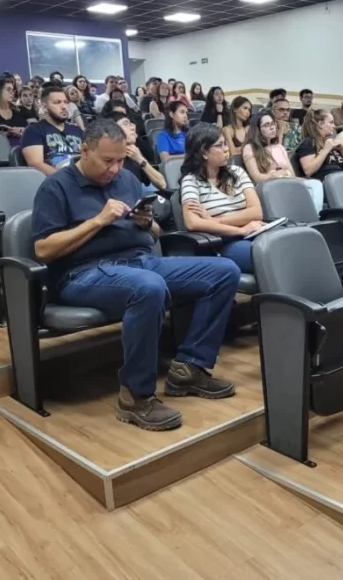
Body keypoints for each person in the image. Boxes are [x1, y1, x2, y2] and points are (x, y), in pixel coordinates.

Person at [31, 118, 239, 430]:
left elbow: (155, 233)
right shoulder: (56, 186)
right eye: (107, 161)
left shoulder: (127, 179)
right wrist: (97, 221)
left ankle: (190, 368)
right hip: (82, 273)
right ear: (84, 151)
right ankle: (135, 395)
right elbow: (43, 250)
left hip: (140, 262)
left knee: (224, 272)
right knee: (148, 287)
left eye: (120, 160)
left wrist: (147, 223)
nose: (115, 169)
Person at [179, 123, 264, 273]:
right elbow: (192, 223)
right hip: (225, 242)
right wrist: (241, 230)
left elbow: (256, 212)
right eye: (219, 145)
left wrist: (212, 220)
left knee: (289, 243)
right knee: (269, 254)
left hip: (254, 231)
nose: (226, 149)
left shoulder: (237, 172)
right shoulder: (191, 181)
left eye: (225, 143)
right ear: (204, 153)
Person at [242, 110, 324, 211]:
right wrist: (274, 175)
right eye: (266, 125)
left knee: (316, 184)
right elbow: (256, 178)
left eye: (273, 124)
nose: (272, 127)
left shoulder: (279, 147)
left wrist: (284, 175)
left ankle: (314, 215)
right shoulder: (249, 148)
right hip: (268, 186)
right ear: (257, 129)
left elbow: (292, 174)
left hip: (286, 180)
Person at [21, 83, 84, 175]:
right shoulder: (34, 130)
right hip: (57, 180)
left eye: (66, 102)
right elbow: (36, 165)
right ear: (44, 107)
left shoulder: (77, 130)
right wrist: (67, 179)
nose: (64, 107)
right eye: (57, 102)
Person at [296, 108, 343, 184]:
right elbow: (308, 171)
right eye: (331, 122)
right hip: (327, 183)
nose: (334, 126)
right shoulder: (309, 142)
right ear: (321, 124)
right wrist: (326, 150)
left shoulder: (332, 143)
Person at [110, 110, 165, 191]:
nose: (133, 127)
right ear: (113, 130)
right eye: (126, 124)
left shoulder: (134, 154)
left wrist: (140, 160)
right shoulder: (110, 159)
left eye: (131, 123)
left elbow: (162, 184)